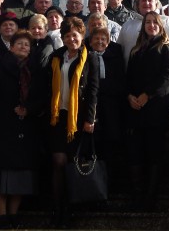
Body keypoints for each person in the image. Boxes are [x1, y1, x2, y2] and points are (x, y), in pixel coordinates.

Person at [0, 30, 44, 229]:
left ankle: (14, 213)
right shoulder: (0, 68)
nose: (23, 47)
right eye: (20, 44)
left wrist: (29, 109)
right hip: (3, 128)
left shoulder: (36, 70)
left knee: (21, 174)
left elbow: (42, 97)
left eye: (27, 45)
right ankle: (1, 214)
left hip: (27, 128)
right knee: (2, 172)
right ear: (11, 46)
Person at [48, 17, 99, 226]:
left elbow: (93, 90)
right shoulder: (56, 57)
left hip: (78, 119)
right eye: (67, 35)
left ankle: (70, 210)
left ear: (82, 35)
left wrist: (90, 119)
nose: (71, 39)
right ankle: (56, 209)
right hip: (58, 118)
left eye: (75, 35)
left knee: (71, 164)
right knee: (58, 162)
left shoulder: (91, 57)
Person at [126, 11, 169, 211]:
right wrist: (130, 96)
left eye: (155, 22)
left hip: (155, 108)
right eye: (147, 22)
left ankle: (150, 198)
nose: (151, 25)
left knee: (154, 153)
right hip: (135, 109)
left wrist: (147, 94)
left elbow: (167, 77)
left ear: (160, 25)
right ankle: (137, 197)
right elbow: (128, 77)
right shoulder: (136, 50)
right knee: (135, 153)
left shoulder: (167, 48)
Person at [88, 26, 126, 176]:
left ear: (108, 42)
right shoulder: (86, 58)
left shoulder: (115, 58)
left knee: (111, 141)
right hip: (92, 106)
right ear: (90, 42)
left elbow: (120, 81)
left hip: (111, 105)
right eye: (96, 39)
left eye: (103, 39)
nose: (100, 42)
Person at [118, 0, 169, 70]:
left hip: (160, 74)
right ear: (138, 4)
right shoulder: (128, 25)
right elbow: (119, 49)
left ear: (156, 4)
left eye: (150, 0)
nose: (147, 3)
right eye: (143, 0)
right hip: (131, 74)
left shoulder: (165, 21)